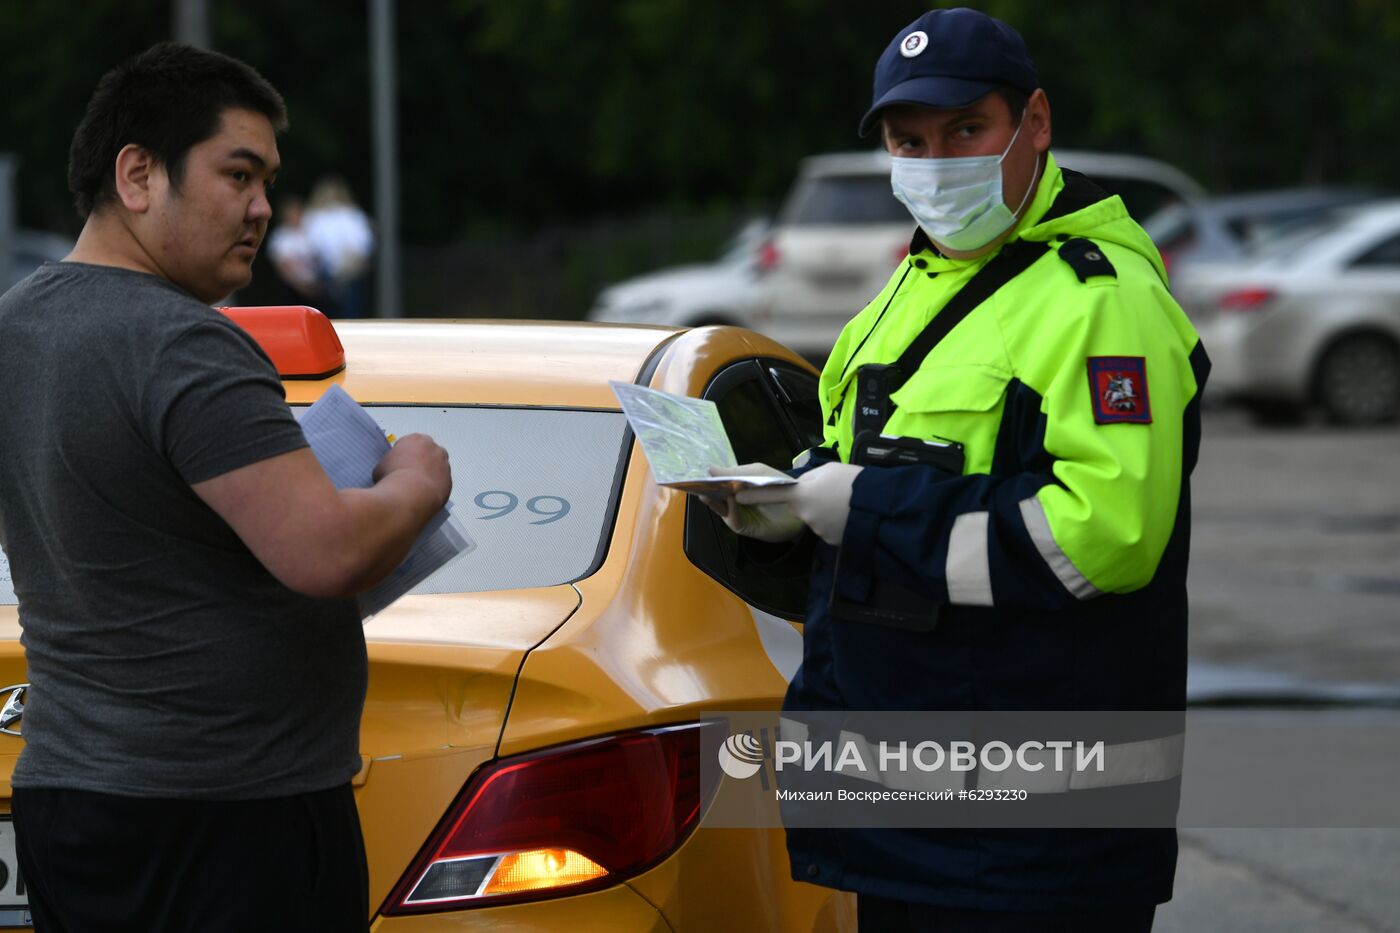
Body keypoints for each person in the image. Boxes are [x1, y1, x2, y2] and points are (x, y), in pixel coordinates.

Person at [709, 8, 1208, 932]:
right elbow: (878, 476)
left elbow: (1104, 541)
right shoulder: (910, 286)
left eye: (965, 132)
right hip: (916, 814)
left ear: (1037, 124)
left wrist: (861, 507)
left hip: (1035, 834)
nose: (937, 164)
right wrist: (791, 505)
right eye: (911, 142)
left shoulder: (1100, 302)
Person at [0, 43, 451, 932]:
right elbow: (327, 549)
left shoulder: (16, 325)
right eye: (237, 174)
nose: (261, 210)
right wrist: (414, 480)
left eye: (268, 182)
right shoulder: (183, 342)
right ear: (137, 174)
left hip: (71, 794)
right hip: (226, 816)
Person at [303, 175, 375, 318]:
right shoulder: (314, 216)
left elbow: (363, 242)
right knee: (326, 309)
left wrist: (350, 260)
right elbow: (311, 242)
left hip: (350, 267)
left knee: (351, 308)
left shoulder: (351, 214)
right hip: (324, 268)